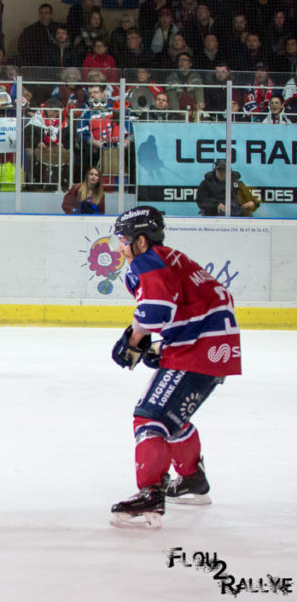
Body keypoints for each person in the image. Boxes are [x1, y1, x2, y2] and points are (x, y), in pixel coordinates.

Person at [108, 206, 241, 529]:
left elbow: (155, 311)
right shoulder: (171, 256)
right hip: (213, 348)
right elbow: (190, 305)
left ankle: (151, 493)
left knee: (150, 418)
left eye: (125, 239)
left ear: (141, 241)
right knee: (174, 417)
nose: (122, 247)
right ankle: (192, 479)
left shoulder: (148, 260)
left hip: (197, 349)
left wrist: (135, 339)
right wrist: (163, 345)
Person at [19, 4, 59, 71]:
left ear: (51, 14)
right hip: (37, 65)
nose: (43, 15)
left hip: (56, 65)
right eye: (41, 13)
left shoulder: (58, 28)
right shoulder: (30, 30)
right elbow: (22, 48)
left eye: (46, 13)